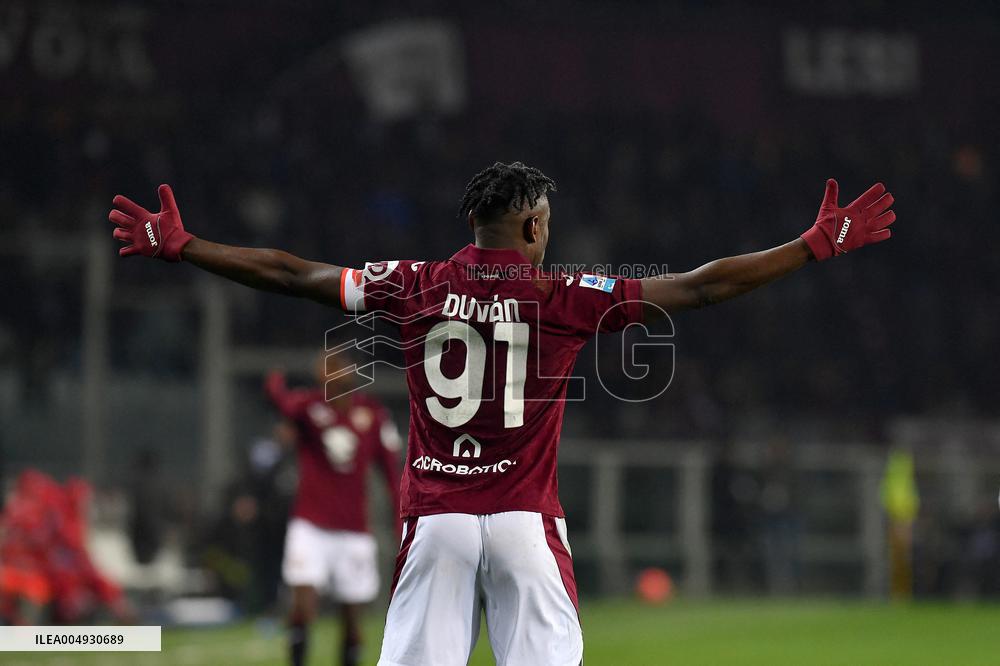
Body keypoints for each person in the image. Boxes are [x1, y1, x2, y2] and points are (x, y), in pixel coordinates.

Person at [109, 162, 896, 665]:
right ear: (529, 226)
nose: (549, 231)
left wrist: (187, 246)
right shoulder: (566, 295)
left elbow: (288, 272)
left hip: (438, 520)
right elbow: (700, 286)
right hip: (525, 522)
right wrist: (810, 245)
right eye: (545, 220)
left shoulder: (409, 282)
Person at [265, 353, 402, 666]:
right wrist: (274, 381)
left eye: (333, 367)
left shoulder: (372, 414)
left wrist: (399, 521)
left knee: (352, 617)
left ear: (349, 372)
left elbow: (391, 475)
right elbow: (282, 403)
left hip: (353, 529)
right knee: (302, 603)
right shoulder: (310, 406)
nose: (325, 374)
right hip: (310, 524)